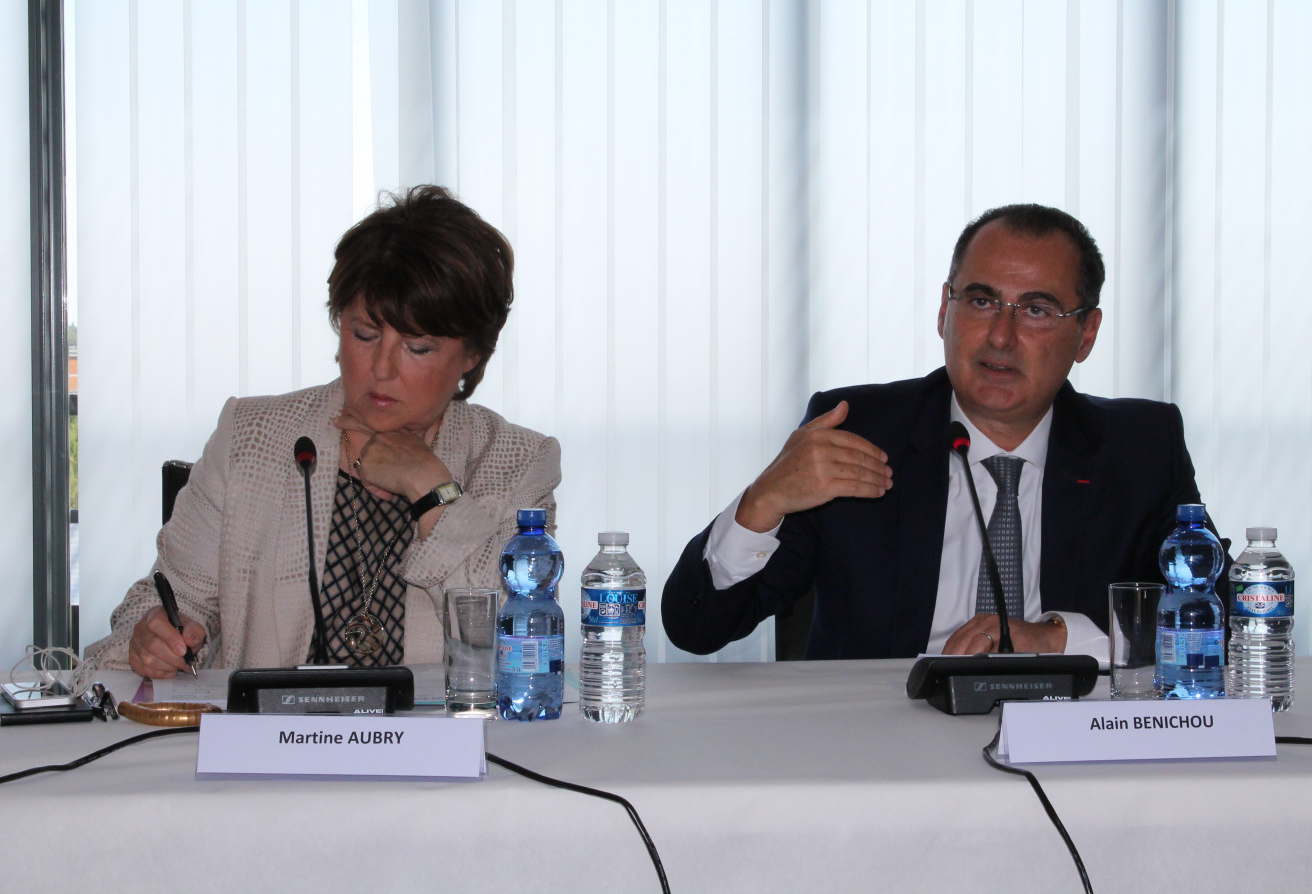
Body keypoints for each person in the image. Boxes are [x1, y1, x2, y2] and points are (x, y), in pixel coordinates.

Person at [662, 203, 1217, 661]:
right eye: (980, 301)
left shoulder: (1140, 448)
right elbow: (695, 627)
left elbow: (1228, 619)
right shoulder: (856, 433)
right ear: (943, 311)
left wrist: (1060, 639)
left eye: (1037, 310)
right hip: (882, 752)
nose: (1001, 336)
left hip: (1070, 749)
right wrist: (764, 502)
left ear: (1086, 334)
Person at [85, 185, 560, 678]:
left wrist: (430, 489)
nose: (382, 368)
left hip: (437, 746)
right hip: (273, 746)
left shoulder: (517, 461)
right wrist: (154, 633)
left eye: (417, 347)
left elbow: (516, 640)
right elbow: (169, 597)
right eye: (364, 334)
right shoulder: (251, 437)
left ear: (472, 355)